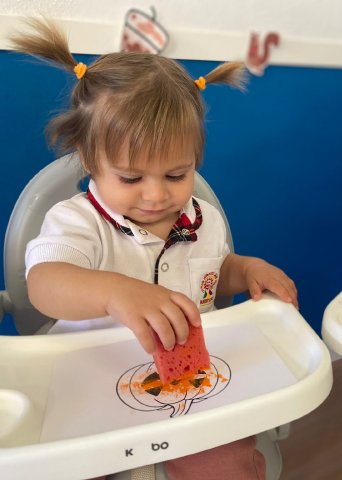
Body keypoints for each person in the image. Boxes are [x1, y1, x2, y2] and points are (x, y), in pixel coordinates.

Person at [12, 18, 297, 480]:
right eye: (131, 178)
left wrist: (244, 270)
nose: (156, 195)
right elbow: (45, 283)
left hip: (191, 380)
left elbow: (213, 272)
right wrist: (115, 293)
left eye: (176, 175)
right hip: (90, 376)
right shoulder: (77, 222)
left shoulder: (205, 220)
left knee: (228, 465)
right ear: (89, 160)